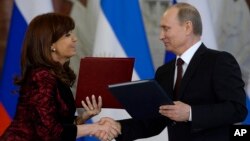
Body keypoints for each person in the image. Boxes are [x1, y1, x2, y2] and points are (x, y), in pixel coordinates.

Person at [100, 2, 248, 141]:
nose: (161, 36)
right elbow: (155, 120)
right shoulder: (165, 71)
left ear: (188, 27)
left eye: (166, 28)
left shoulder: (219, 61)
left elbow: (237, 109)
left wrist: (190, 113)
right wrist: (118, 127)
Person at [0, 13, 120, 141]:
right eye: (67, 35)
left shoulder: (55, 75)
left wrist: (83, 117)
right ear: (51, 43)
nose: (75, 39)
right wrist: (94, 128)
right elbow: (49, 132)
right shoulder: (41, 77)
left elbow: (58, 124)